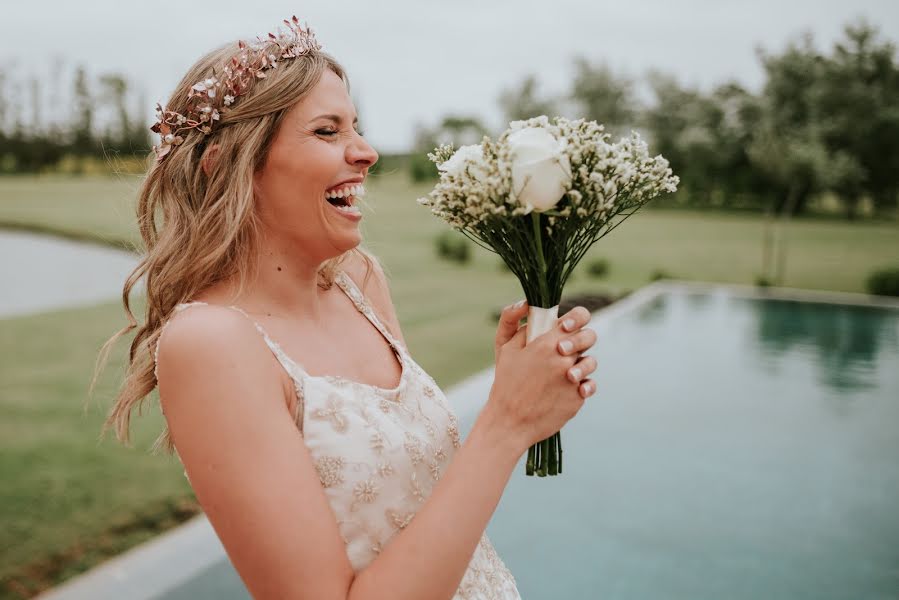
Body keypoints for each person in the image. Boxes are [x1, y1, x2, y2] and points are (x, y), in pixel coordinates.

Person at [95, 16, 598, 600]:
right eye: (327, 131)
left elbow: (424, 508)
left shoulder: (361, 283)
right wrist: (506, 422)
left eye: (355, 127)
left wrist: (523, 390)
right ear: (228, 165)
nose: (367, 152)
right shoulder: (211, 345)